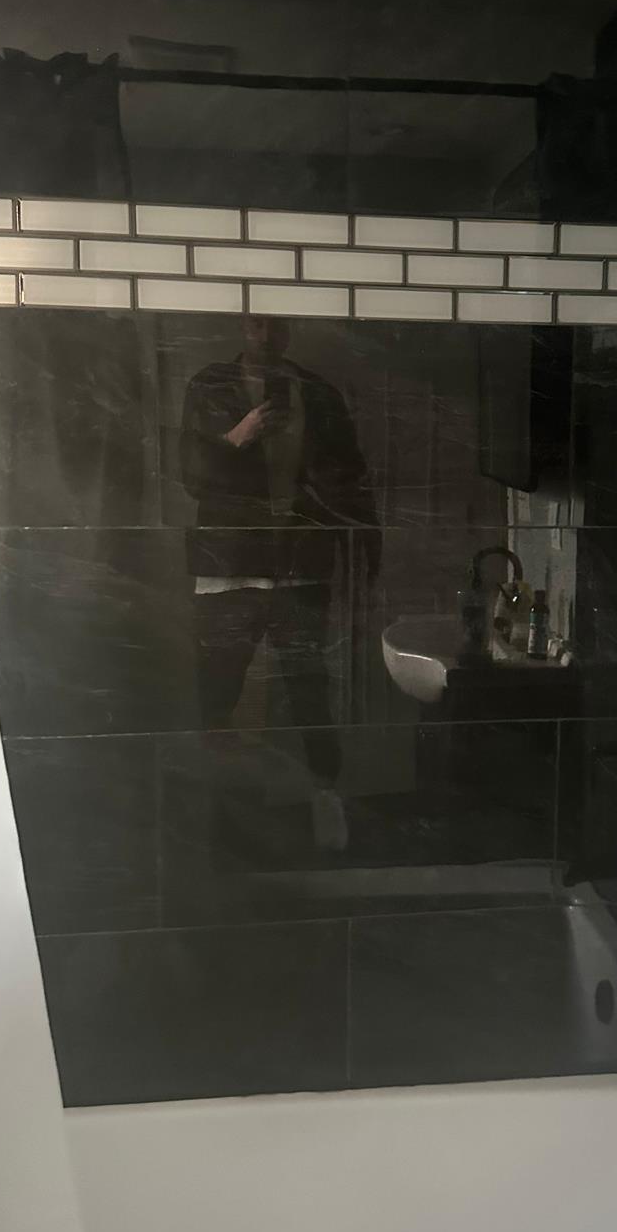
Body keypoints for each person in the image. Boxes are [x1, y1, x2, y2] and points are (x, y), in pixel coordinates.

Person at [179, 317, 379, 851]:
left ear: (289, 330)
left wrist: (364, 548)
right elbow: (191, 477)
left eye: (275, 325)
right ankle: (215, 817)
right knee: (217, 693)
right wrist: (237, 437)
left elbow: (351, 476)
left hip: (300, 563)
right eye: (254, 324)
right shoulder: (210, 385)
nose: (264, 336)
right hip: (230, 565)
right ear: (241, 326)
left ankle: (326, 800)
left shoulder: (318, 393)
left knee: (310, 692)